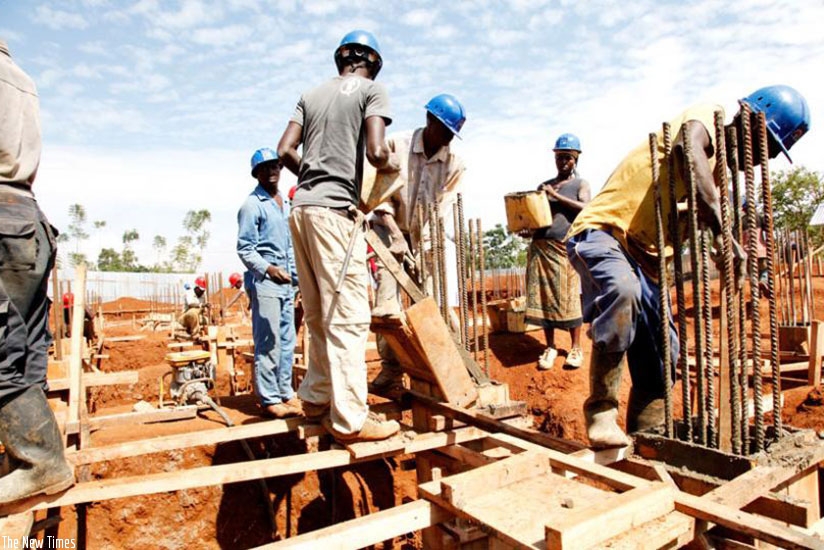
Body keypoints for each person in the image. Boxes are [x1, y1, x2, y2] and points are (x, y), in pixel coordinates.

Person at [565, 85, 810, 448]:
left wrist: (723, 247)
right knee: (622, 290)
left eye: (770, 154)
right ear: (748, 119)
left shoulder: (717, 178)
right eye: (765, 147)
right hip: (604, 232)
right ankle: (601, 411)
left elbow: (701, 210)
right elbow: (686, 149)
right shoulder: (709, 116)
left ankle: (646, 439)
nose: (761, 161)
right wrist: (723, 231)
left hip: (646, 258)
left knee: (665, 352)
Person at [277, 30, 400, 443]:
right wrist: (393, 167)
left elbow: (284, 150)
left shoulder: (310, 95)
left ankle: (316, 397)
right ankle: (351, 419)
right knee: (348, 316)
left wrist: (315, 175)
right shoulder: (372, 91)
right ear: (373, 63)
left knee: (317, 313)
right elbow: (376, 153)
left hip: (301, 209)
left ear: (341, 59)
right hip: (334, 214)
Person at [0, 39, 74, 504]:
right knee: (23, 348)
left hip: (4, 219)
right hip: (27, 217)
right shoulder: (22, 79)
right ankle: (27, 457)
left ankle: (39, 461)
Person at [369, 93, 467, 392]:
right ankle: (391, 370)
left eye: (452, 134)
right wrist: (396, 236)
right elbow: (378, 195)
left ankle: (450, 366)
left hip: (425, 234)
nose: (447, 139)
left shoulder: (454, 163)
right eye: (444, 131)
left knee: (433, 300)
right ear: (429, 121)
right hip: (387, 228)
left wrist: (424, 247)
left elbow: (443, 209)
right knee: (387, 305)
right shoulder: (396, 145)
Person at [237, 147, 301, 418]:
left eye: (275, 166)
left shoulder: (285, 202)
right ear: (256, 174)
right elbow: (245, 249)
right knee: (268, 341)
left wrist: (297, 281)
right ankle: (269, 398)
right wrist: (269, 269)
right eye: (264, 168)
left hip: (286, 282)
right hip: (265, 281)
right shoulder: (252, 206)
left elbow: (291, 246)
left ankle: (285, 392)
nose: (271, 171)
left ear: (281, 169)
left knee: (287, 339)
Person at [524, 133, 590, 370]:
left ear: (575, 160)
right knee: (544, 299)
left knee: (570, 297)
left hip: (564, 248)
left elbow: (586, 208)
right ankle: (550, 346)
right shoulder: (543, 186)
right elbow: (536, 216)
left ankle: (575, 348)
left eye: (567, 157)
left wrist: (555, 196)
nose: (563, 161)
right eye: (559, 157)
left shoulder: (580, 185)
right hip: (541, 248)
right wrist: (527, 230)